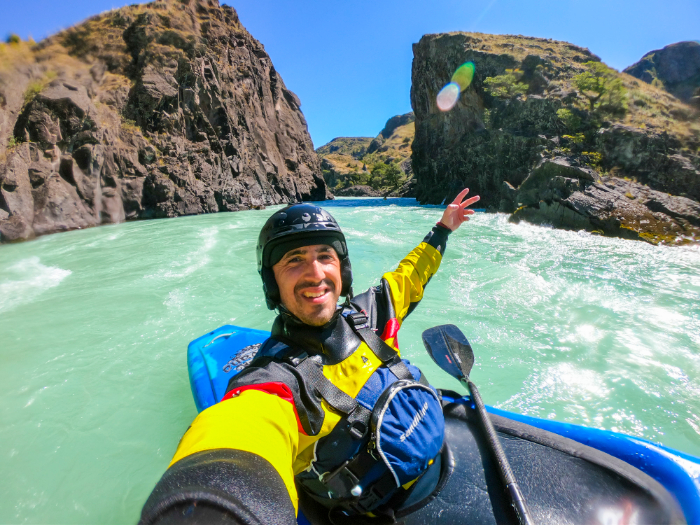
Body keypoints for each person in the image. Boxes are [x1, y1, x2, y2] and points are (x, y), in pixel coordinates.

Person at [140, 189, 480, 525]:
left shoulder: (369, 315)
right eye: (294, 259)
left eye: (325, 256)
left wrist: (443, 228)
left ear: (342, 269)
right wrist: (209, 504)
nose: (315, 273)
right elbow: (240, 430)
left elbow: (411, 274)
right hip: (386, 512)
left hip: (445, 459)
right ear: (271, 283)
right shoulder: (275, 382)